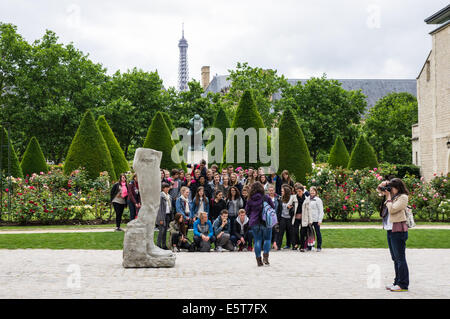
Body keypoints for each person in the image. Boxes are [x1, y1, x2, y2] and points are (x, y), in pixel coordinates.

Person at [378, 178, 410, 292]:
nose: (390, 190)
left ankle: (403, 284)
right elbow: (379, 190)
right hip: (390, 230)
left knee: (400, 258)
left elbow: (392, 210)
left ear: (398, 187)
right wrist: (383, 185)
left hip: (398, 230)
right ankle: (397, 282)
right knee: (395, 258)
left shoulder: (403, 197)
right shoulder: (393, 196)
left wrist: (388, 197)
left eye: (392, 187)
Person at [245, 181, 275, 266]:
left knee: (257, 240)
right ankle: (265, 257)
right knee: (267, 239)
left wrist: (252, 215)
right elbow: (273, 207)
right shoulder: (266, 197)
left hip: (254, 222)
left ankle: (258, 260)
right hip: (266, 221)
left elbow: (246, 211)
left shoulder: (250, 199)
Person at [288, 183, 307, 250]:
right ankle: (296, 244)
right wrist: (289, 206)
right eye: (297, 191)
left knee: (302, 232)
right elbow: (288, 205)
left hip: (303, 217)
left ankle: (302, 247)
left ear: (303, 191)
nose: (298, 193)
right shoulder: (293, 197)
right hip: (295, 217)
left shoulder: (306, 198)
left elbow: (308, 209)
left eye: (300, 191)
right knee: (295, 232)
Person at [276, 185, 294, 250]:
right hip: (282, 217)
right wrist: (277, 219)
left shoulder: (291, 198)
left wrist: (290, 207)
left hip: (289, 218)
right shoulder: (280, 199)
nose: (281, 192)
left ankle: (293, 245)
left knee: (291, 232)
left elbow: (293, 208)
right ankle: (278, 246)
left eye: (282, 191)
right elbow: (279, 210)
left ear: (286, 192)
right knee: (280, 232)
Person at [308, 186, 324, 252]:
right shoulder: (307, 199)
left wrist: (320, 220)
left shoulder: (318, 200)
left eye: (313, 191)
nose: (312, 192)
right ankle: (310, 246)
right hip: (310, 219)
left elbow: (321, 211)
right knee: (310, 233)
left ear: (315, 192)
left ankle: (319, 246)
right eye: (310, 191)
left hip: (316, 219)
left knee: (318, 233)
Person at [156, 182, 172, 250]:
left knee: (165, 231)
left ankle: (164, 245)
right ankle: (158, 245)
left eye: (168, 187)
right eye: (165, 187)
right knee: (161, 231)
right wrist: (160, 219)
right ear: (163, 188)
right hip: (162, 215)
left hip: (167, 214)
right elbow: (159, 209)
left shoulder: (169, 196)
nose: (167, 189)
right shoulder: (161, 196)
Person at [267, 184, 280, 250]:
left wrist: (277, 218)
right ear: (268, 191)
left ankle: (275, 243)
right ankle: (268, 244)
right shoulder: (266, 198)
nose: (271, 191)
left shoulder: (277, 198)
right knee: (268, 230)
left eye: (272, 190)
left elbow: (279, 208)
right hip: (268, 217)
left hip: (275, 216)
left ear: (274, 191)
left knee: (276, 230)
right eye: (270, 190)